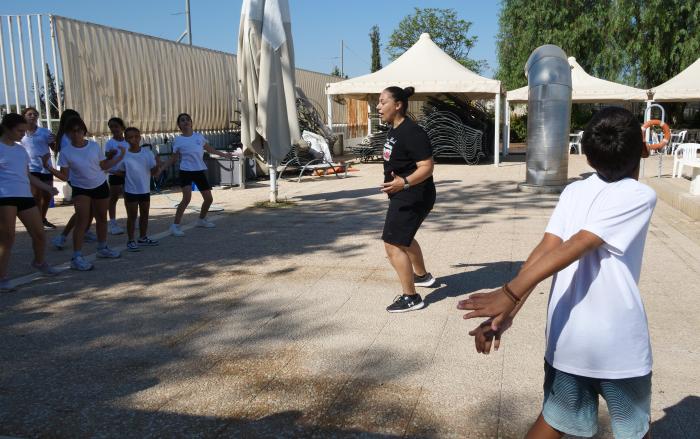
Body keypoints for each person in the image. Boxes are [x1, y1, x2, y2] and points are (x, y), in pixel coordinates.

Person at [458, 107, 656, 439]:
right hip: (618, 345)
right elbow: (581, 242)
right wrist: (509, 296)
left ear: (588, 158)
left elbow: (545, 250)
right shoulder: (640, 195)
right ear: (644, 150)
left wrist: (510, 306)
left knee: (553, 421)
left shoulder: (574, 191)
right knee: (635, 431)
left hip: (567, 339)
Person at [378, 86, 437, 313]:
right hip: (404, 193)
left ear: (398, 105)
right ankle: (422, 277)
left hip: (413, 195)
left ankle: (411, 297)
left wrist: (403, 182)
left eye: (383, 102)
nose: (378, 107)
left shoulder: (412, 132)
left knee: (392, 243)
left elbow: (427, 167)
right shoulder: (395, 129)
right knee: (404, 237)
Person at [43, 116, 125, 271]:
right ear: (67, 134)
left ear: (84, 131)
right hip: (80, 189)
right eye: (72, 131)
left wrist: (119, 157)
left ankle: (102, 248)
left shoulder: (94, 146)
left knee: (102, 218)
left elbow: (103, 165)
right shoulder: (65, 152)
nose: (76, 134)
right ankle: (76, 257)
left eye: (78, 130)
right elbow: (65, 176)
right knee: (82, 220)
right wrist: (48, 167)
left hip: (100, 185)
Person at [1, 113, 60, 292]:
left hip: (24, 196)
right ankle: (2, 277)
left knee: (39, 234)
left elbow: (27, 175)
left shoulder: (20, 150)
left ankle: (39, 262)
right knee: (7, 237)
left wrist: (47, 188)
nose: (23, 134)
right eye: (20, 131)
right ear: (7, 129)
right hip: (4, 197)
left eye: (24, 131)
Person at [160, 113, 234, 237]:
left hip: (199, 171)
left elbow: (211, 149)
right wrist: (161, 169)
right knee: (186, 198)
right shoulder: (178, 140)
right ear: (179, 125)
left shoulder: (199, 137)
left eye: (187, 120)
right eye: (182, 120)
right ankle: (175, 226)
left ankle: (201, 220)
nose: (185, 122)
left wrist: (225, 155)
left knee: (209, 199)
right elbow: (173, 159)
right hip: (185, 171)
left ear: (191, 122)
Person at [50, 109, 98, 249]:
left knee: (90, 208)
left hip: (83, 176)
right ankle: (63, 236)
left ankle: (85, 230)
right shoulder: (67, 138)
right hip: (77, 177)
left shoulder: (64, 137)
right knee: (83, 210)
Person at [113, 127, 161, 251]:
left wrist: (157, 165)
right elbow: (120, 171)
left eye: (136, 136)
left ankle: (143, 237)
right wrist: (116, 172)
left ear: (140, 137)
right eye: (130, 137)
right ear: (126, 139)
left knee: (145, 214)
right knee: (132, 216)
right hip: (131, 190)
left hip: (145, 189)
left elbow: (153, 171)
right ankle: (130, 240)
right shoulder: (124, 155)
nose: (133, 139)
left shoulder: (147, 153)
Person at [20, 107, 56, 230]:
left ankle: (42, 218)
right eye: (29, 114)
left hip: (46, 167)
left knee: (48, 195)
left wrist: (55, 141)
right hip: (31, 168)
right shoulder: (21, 133)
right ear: (24, 116)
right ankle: (38, 222)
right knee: (36, 195)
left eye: (35, 114)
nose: (33, 116)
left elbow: (54, 148)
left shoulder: (45, 132)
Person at [104, 117, 128, 236]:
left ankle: (132, 219)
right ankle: (112, 223)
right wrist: (110, 154)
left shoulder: (128, 141)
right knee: (113, 198)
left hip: (128, 173)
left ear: (122, 127)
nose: (114, 129)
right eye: (111, 127)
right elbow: (106, 158)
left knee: (129, 197)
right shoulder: (110, 143)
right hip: (115, 173)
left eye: (116, 126)